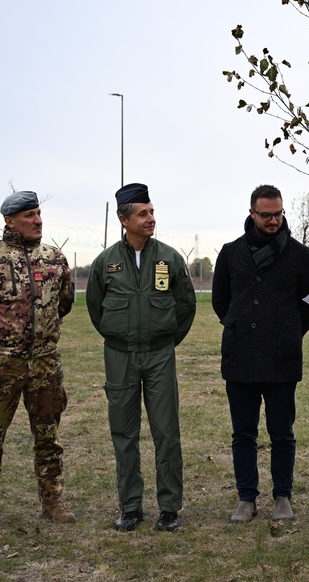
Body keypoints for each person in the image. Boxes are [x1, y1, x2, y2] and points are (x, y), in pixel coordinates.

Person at [0, 190, 75, 530]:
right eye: (28, 215)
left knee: (48, 435)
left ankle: (52, 499)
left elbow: (64, 303)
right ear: (9, 220)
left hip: (44, 365)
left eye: (38, 213)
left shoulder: (54, 259)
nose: (37, 220)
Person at [87, 183, 197, 532]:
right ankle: (130, 506)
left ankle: (169, 507)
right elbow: (95, 307)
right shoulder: (106, 263)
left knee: (167, 431)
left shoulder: (169, 258)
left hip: (160, 355)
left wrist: (164, 340)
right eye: (143, 214)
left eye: (151, 212)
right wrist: (119, 337)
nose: (151, 219)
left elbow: (186, 305)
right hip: (119, 356)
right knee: (124, 433)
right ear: (124, 219)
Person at [212, 184, 309, 523]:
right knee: (243, 433)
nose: (274, 220)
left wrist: (286, 332)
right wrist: (238, 323)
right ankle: (247, 498)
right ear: (252, 214)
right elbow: (220, 300)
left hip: (282, 359)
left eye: (278, 214)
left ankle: (282, 497)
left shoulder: (301, 255)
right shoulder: (231, 253)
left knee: (281, 432)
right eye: (266, 215)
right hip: (239, 357)